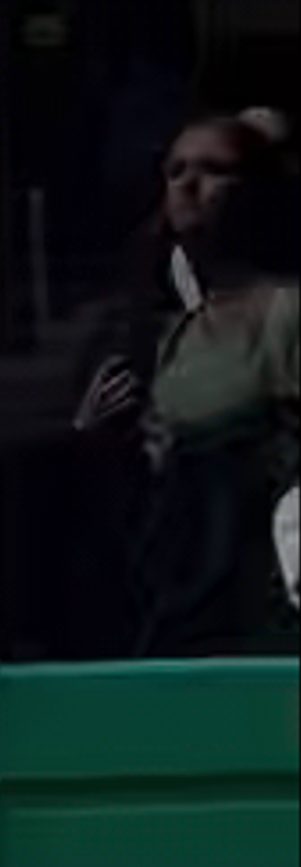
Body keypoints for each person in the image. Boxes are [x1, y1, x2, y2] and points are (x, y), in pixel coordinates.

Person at [73, 111, 301, 656]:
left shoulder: (284, 311)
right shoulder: (149, 313)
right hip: (162, 583)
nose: (188, 185)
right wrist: (95, 428)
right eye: (175, 170)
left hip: (248, 593)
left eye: (213, 169)